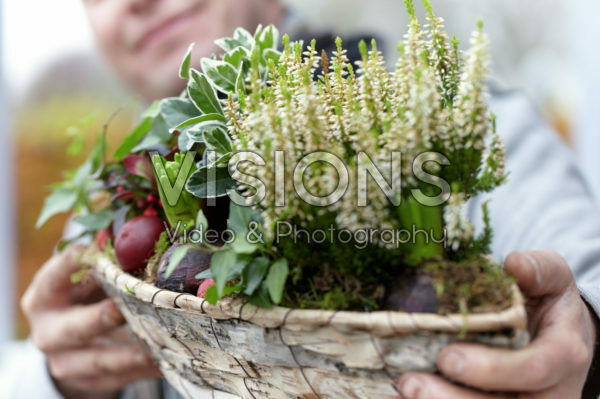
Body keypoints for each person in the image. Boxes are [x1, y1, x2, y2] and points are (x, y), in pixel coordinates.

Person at [15, 0, 600, 398]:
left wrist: (584, 342)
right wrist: (62, 378)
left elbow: (579, 278)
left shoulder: (449, 119)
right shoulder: (123, 201)